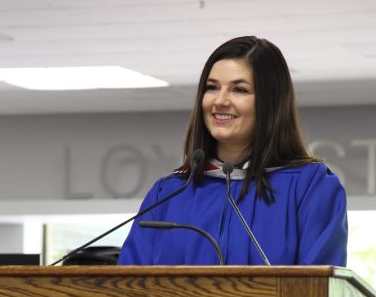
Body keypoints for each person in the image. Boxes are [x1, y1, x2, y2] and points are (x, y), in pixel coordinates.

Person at [118, 36, 347, 266]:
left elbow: (318, 291)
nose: (220, 100)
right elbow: (129, 289)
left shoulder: (309, 187)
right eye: (212, 87)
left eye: (239, 89)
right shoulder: (167, 194)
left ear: (270, 102)